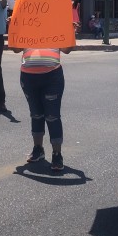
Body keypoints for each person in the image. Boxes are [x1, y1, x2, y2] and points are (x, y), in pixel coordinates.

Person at [13, 23, 78, 171]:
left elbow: (67, 50)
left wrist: (71, 31)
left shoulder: (56, 25)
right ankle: (38, 149)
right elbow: (16, 48)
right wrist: (14, 28)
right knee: (35, 114)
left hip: (52, 77)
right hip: (28, 77)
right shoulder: (26, 24)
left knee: (52, 116)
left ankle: (57, 154)